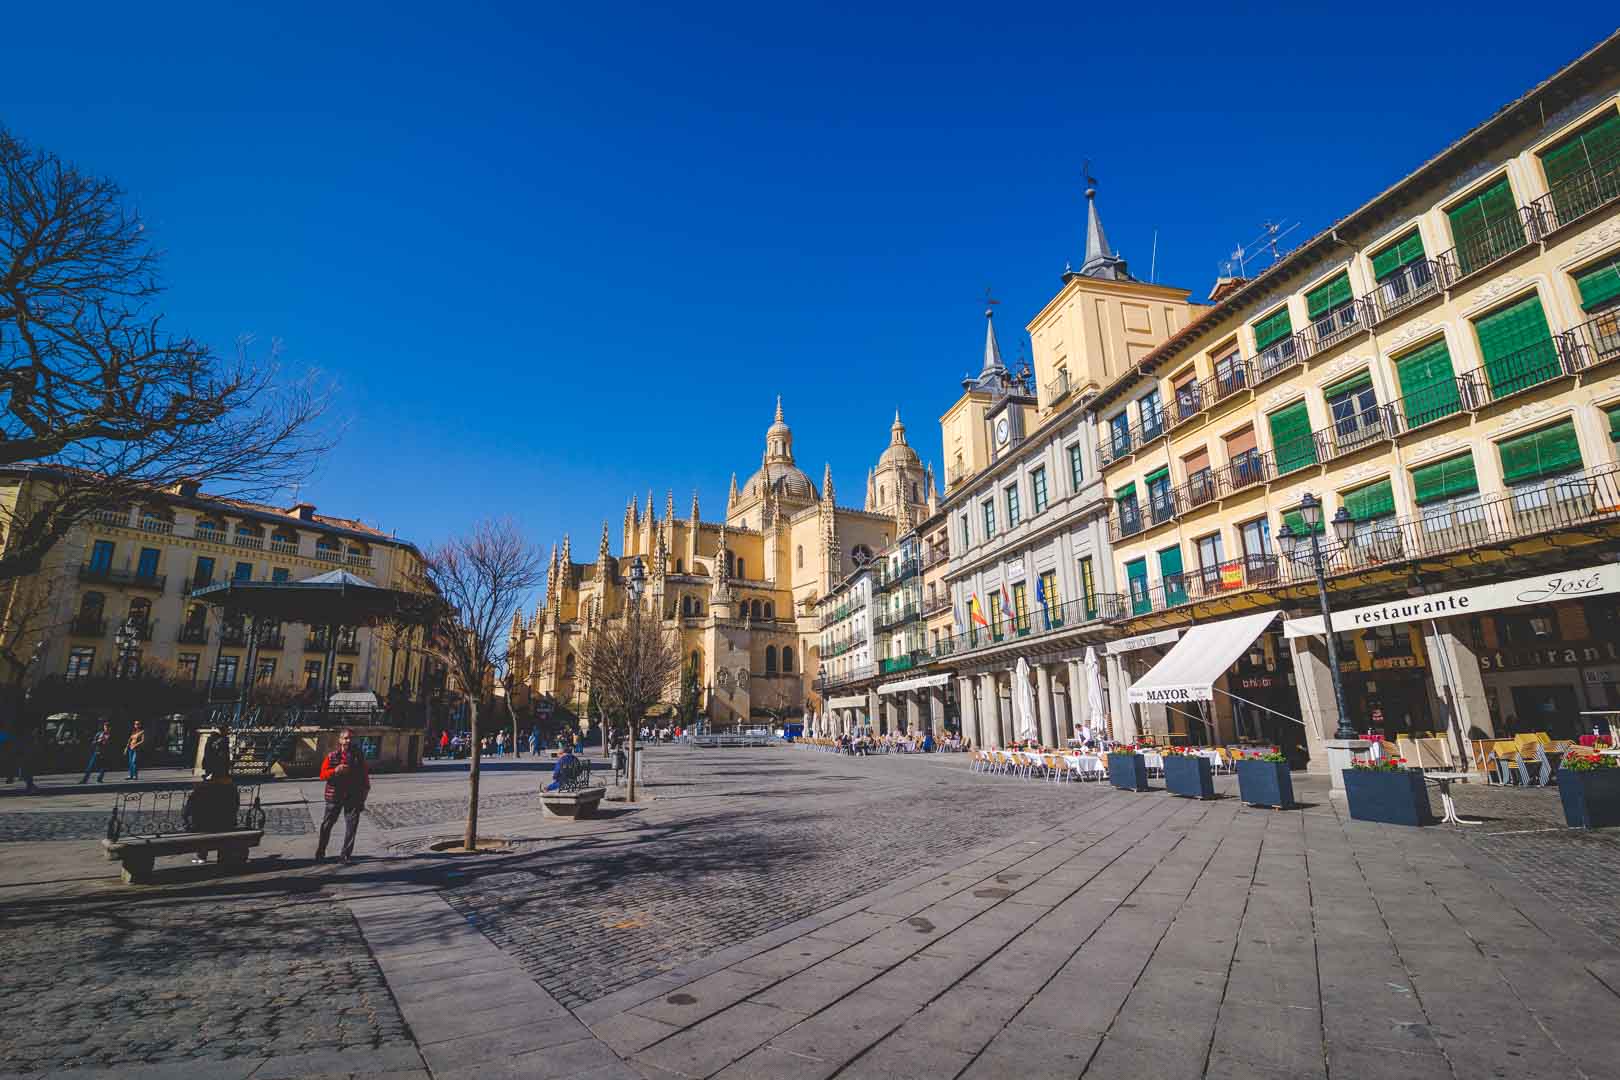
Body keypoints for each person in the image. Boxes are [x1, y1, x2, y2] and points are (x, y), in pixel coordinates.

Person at [316, 729, 370, 865]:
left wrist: (364, 793)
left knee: (352, 826)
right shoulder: (332, 756)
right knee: (327, 825)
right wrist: (335, 770)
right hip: (334, 796)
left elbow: (364, 776)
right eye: (345, 738)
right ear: (340, 740)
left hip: (353, 795)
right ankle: (321, 851)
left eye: (350, 738)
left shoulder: (358, 756)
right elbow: (322, 775)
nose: (348, 741)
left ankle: (345, 855)